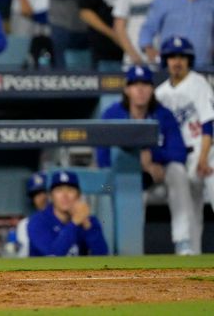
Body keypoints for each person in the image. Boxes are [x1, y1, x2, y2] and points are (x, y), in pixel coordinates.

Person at [98, 65, 192, 255]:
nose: (140, 90)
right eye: (135, 85)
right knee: (116, 190)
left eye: (145, 84)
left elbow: (179, 153)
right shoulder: (112, 114)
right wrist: (136, 160)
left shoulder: (163, 115)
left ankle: (183, 241)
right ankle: (127, 251)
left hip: (159, 179)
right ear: (127, 89)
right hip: (126, 180)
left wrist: (154, 158)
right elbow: (103, 159)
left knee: (178, 171)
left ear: (152, 89)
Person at [155, 37, 214, 255]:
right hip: (180, 158)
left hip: (205, 152)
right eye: (172, 57)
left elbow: (209, 123)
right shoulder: (160, 94)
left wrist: (204, 156)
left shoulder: (198, 83)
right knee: (190, 213)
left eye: (181, 57)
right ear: (166, 61)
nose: (177, 61)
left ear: (188, 60)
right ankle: (191, 260)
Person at [139, 0, 214, 68]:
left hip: (204, 67)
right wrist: (149, 50)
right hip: (170, 69)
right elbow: (147, 29)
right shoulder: (163, 0)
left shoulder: (211, 0)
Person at [27, 170, 109, 256]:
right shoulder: (38, 221)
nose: (65, 195)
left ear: (78, 195)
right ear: (51, 196)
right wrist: (74, 223)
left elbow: (103, 255)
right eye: (59, 190)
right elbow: (53, 255)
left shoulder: (89, 220)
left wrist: (87, 225)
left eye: (70, 190)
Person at [15, 172, 49, 257]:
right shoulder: (25, 225)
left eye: (44, 192)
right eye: (36, 194)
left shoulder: (71, 221)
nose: (42, 198)